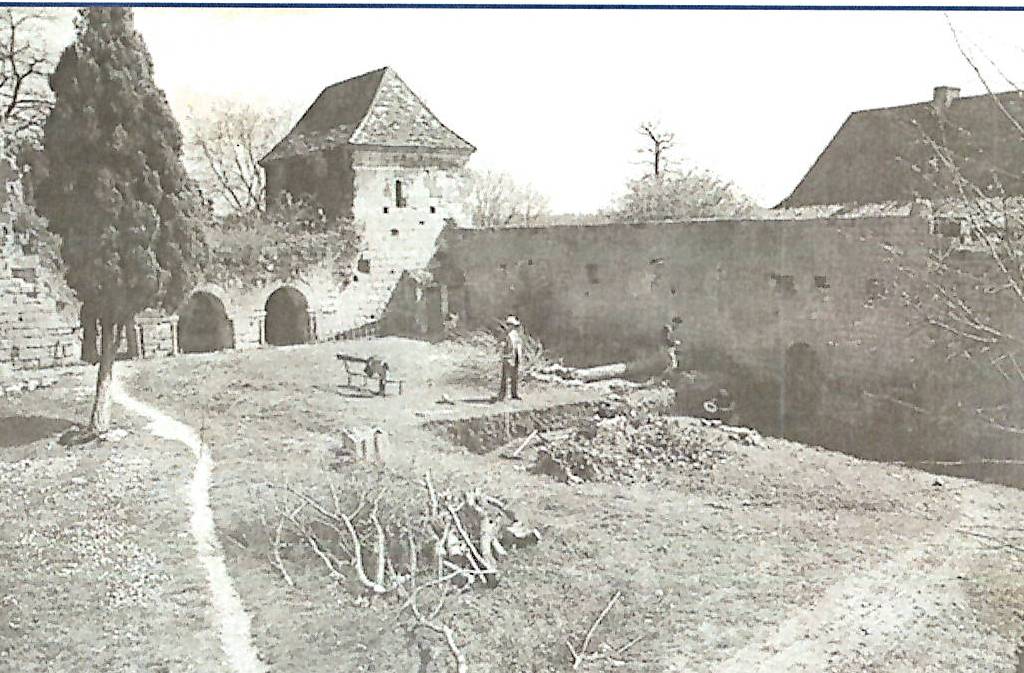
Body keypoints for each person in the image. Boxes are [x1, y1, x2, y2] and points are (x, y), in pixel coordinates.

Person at [495, 315, 524, 401]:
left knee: (515, 377)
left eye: (513, 325)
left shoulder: (516, 334)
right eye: (509, 325)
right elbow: (500, 344)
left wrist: (519, 356)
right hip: (508, 357)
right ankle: (503, 395)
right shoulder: (505, 335)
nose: (511, 327)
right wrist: (502, 347)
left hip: (515, 356)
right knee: (506, 377)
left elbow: (519, 345)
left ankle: (514, 394)